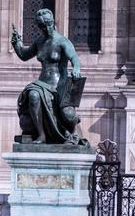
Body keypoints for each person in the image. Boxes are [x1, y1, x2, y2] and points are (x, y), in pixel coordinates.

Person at [10, 9, 87, 145]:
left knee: (67, 115)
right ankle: (41, 135)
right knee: (33, 95)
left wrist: (76, 68)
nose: (46, 28)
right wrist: (17, 44)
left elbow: (74, 56)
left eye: (48, 24)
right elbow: (24, 55)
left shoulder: (62, 41)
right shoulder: (39, 42)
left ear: (53, 23)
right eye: (42, 26)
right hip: (42, 83)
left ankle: (71, 131)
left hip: (59, 84)